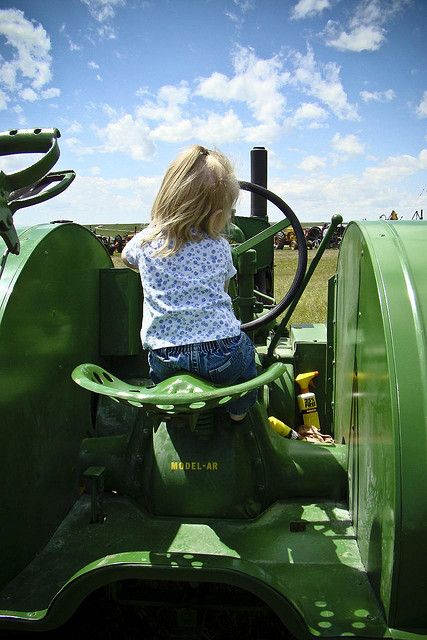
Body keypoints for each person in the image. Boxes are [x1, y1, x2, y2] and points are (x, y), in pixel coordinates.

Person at [122, 144, 257, 422]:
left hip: (165, 357)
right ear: (219, 214)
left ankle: (174, 408)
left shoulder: (145, 242)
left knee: (161, 375)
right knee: (247, 359)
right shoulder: (219, 246)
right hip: (223, 355)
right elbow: (223, 291)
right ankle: (237, 412)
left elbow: (127, 259)